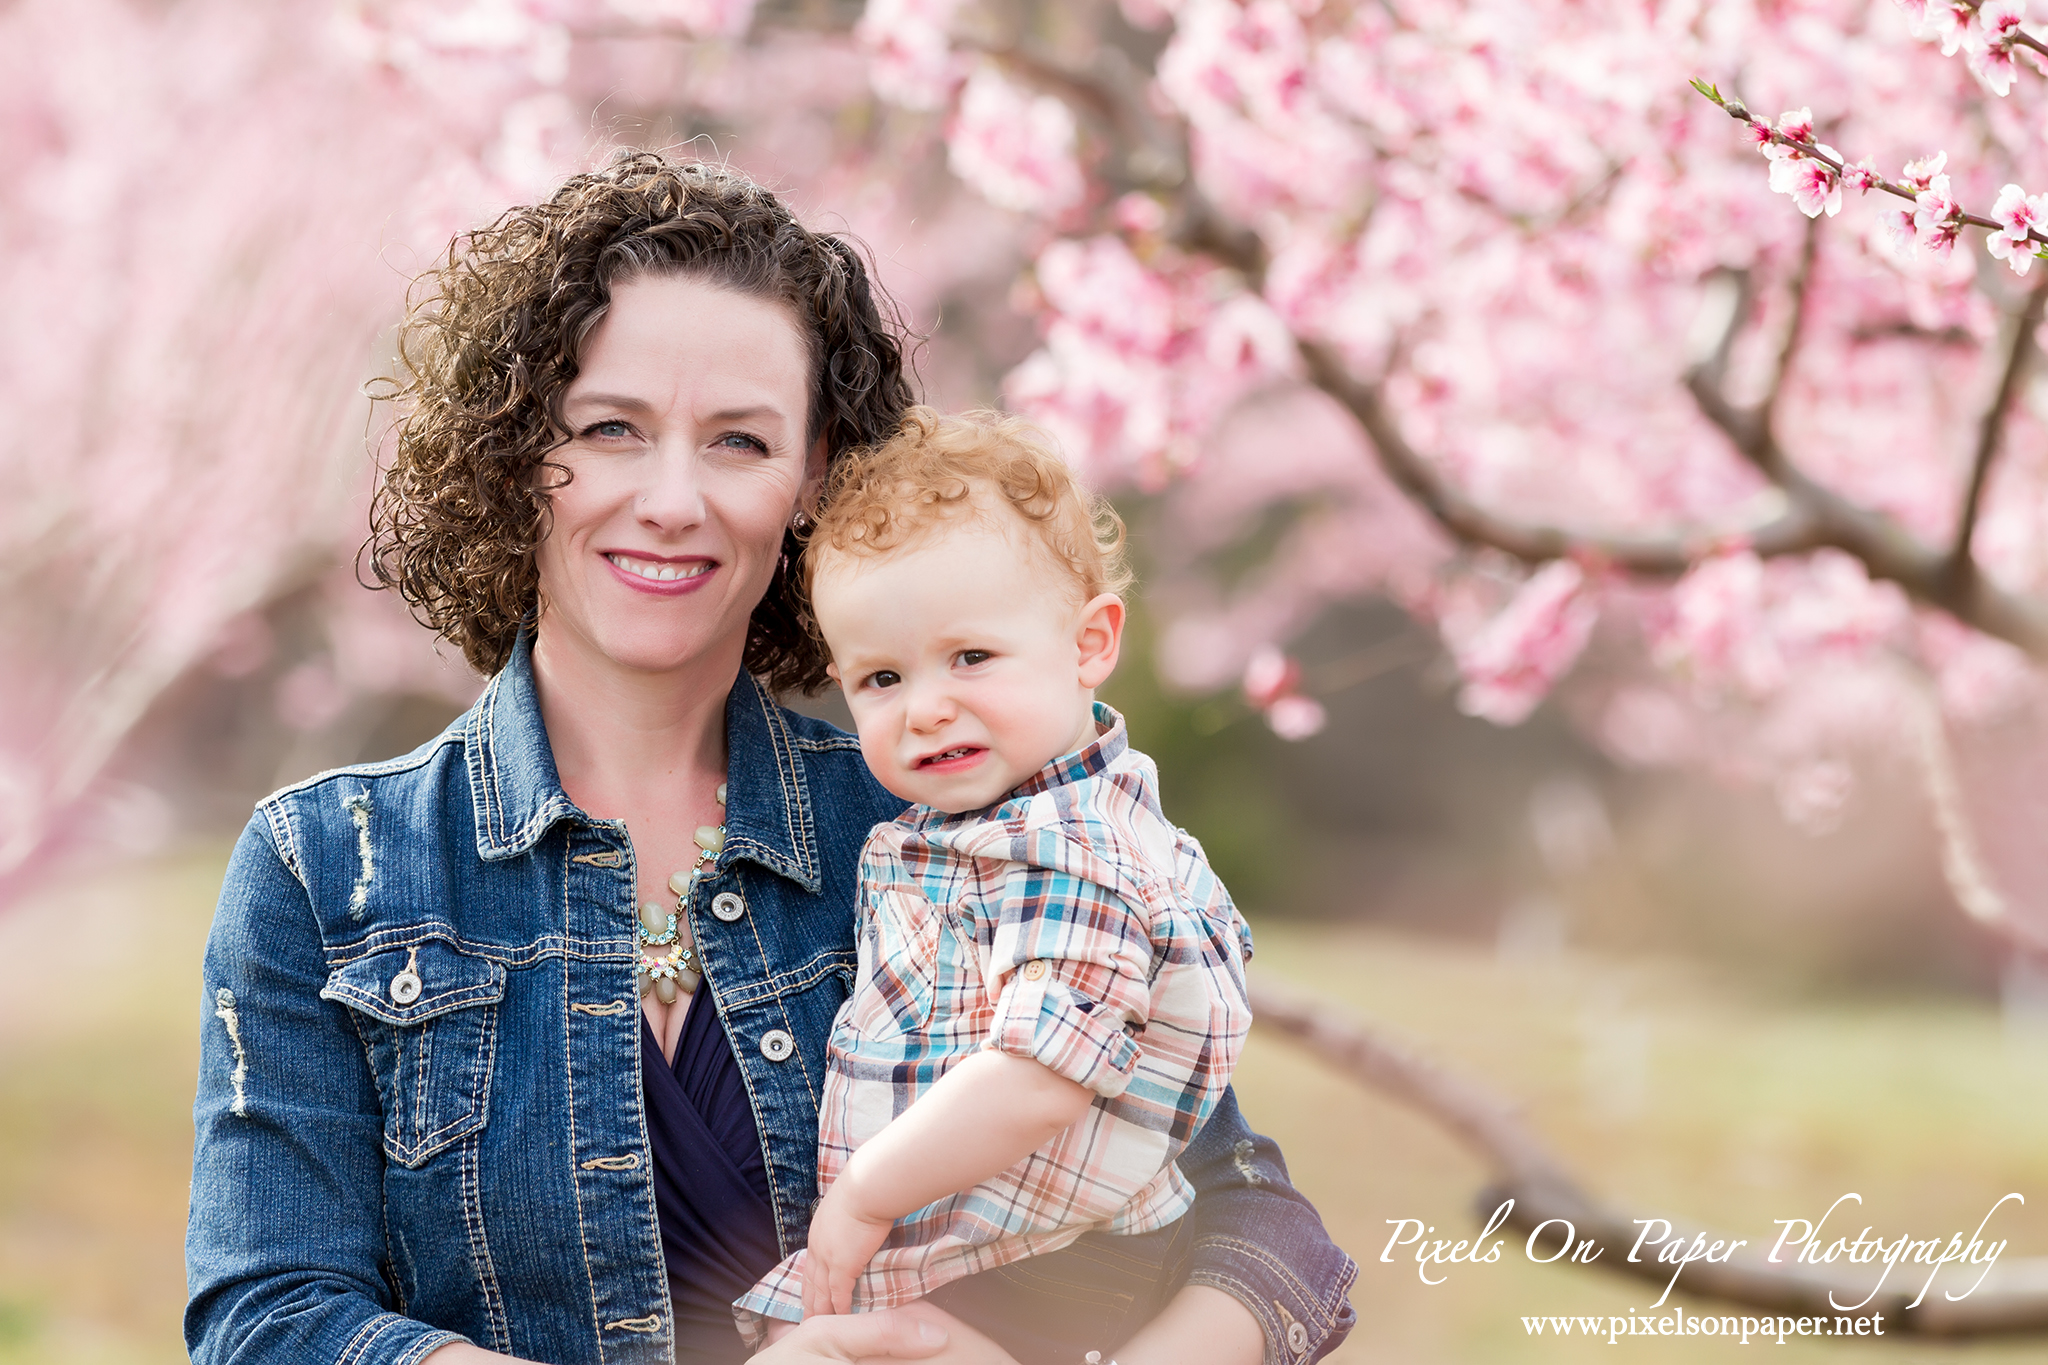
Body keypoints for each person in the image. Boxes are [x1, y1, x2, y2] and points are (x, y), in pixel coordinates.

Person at [184, 151, 1356, 1365]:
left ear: (813, 479)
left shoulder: (947, 811)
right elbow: (265, 1324)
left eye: (740, 442)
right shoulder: (328, 869)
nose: (673, 499)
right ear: (519, 452)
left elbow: (1266, 1233)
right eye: (609, 430)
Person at [733, 408, 1254, 1362]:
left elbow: (1040, 1073)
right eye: (882, 677)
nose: (928, 706)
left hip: (1051, 1263)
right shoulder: (988, 826)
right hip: (1015, 1246)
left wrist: (866, 1192)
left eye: (971, 656)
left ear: (1090, 643)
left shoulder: (1066, 844)